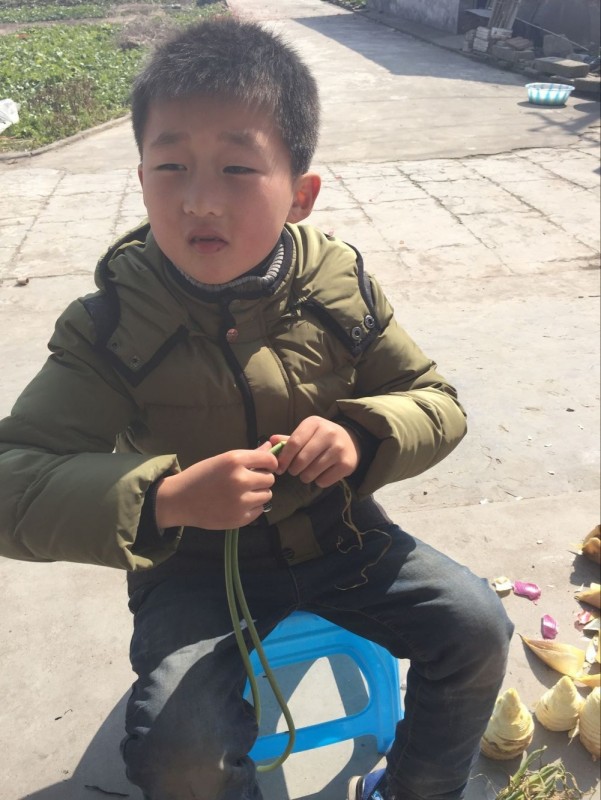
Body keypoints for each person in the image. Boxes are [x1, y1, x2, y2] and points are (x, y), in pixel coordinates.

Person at [0, 16, 513, 800]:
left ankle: (419, 788)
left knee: (476, 628)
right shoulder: (112, 325)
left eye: (237, 168)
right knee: (181, 750)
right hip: (191, 571)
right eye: (170, 166)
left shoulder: (340, 288)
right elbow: (13, 479)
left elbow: (434, 401)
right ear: (140, 177)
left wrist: (360, 435)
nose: (199, 201)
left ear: (300, 195)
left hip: (342, 537)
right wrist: (166, 499)